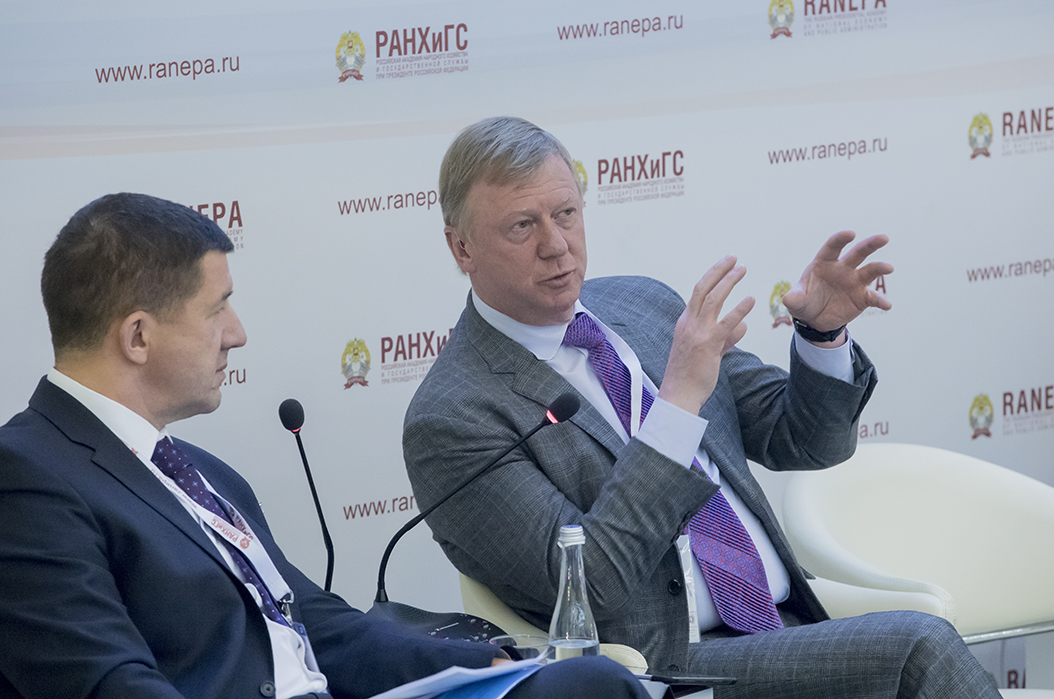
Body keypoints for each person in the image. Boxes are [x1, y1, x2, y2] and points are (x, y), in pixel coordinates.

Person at [402, 117, 1001, 698]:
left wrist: (821, 338)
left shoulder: (642, 305)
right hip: (666, 667)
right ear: (462, 247)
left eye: (566, 214)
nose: (556, 246)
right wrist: (677, 404)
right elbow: (592, 585)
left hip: (790, 627)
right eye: (522, 226)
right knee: (920, 646)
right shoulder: (452, 419)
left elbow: (806, 440)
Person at [0, 192, 647, 699]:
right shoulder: (27, 478)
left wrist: (492, 665)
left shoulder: (202, 474)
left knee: (588, 685)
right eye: (217, 309)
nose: (238, 334)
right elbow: (106, 684)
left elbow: (323, 627)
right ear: (138, 337)